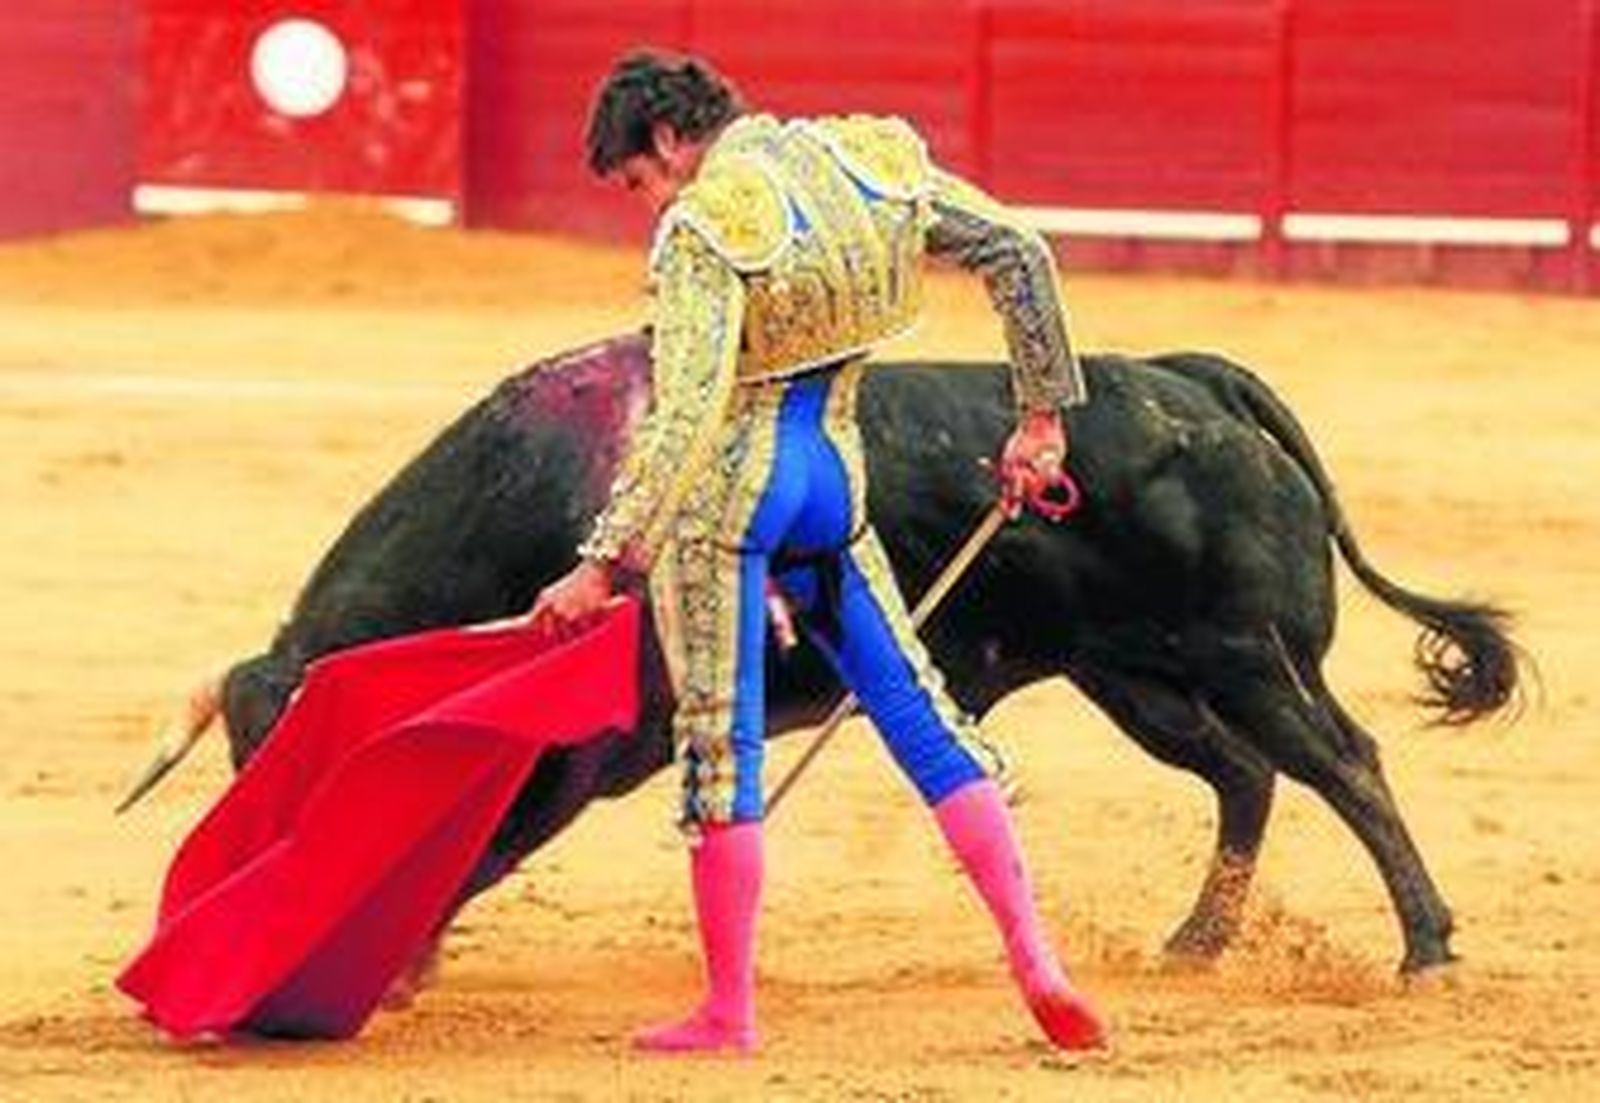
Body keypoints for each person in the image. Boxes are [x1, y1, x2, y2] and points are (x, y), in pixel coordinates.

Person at [530, 51, 1107, 1055]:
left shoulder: (704, 224)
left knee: (722, 747)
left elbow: (686, 416)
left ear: (668, 139)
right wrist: (1039, 420)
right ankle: (1035, 958)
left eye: (637, 181)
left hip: (731, 503)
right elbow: (1018, 249)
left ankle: (728, 1010)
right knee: (920, 710)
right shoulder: (865, 163)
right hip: (833, 480)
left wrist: (605, 561)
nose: (647, 202)